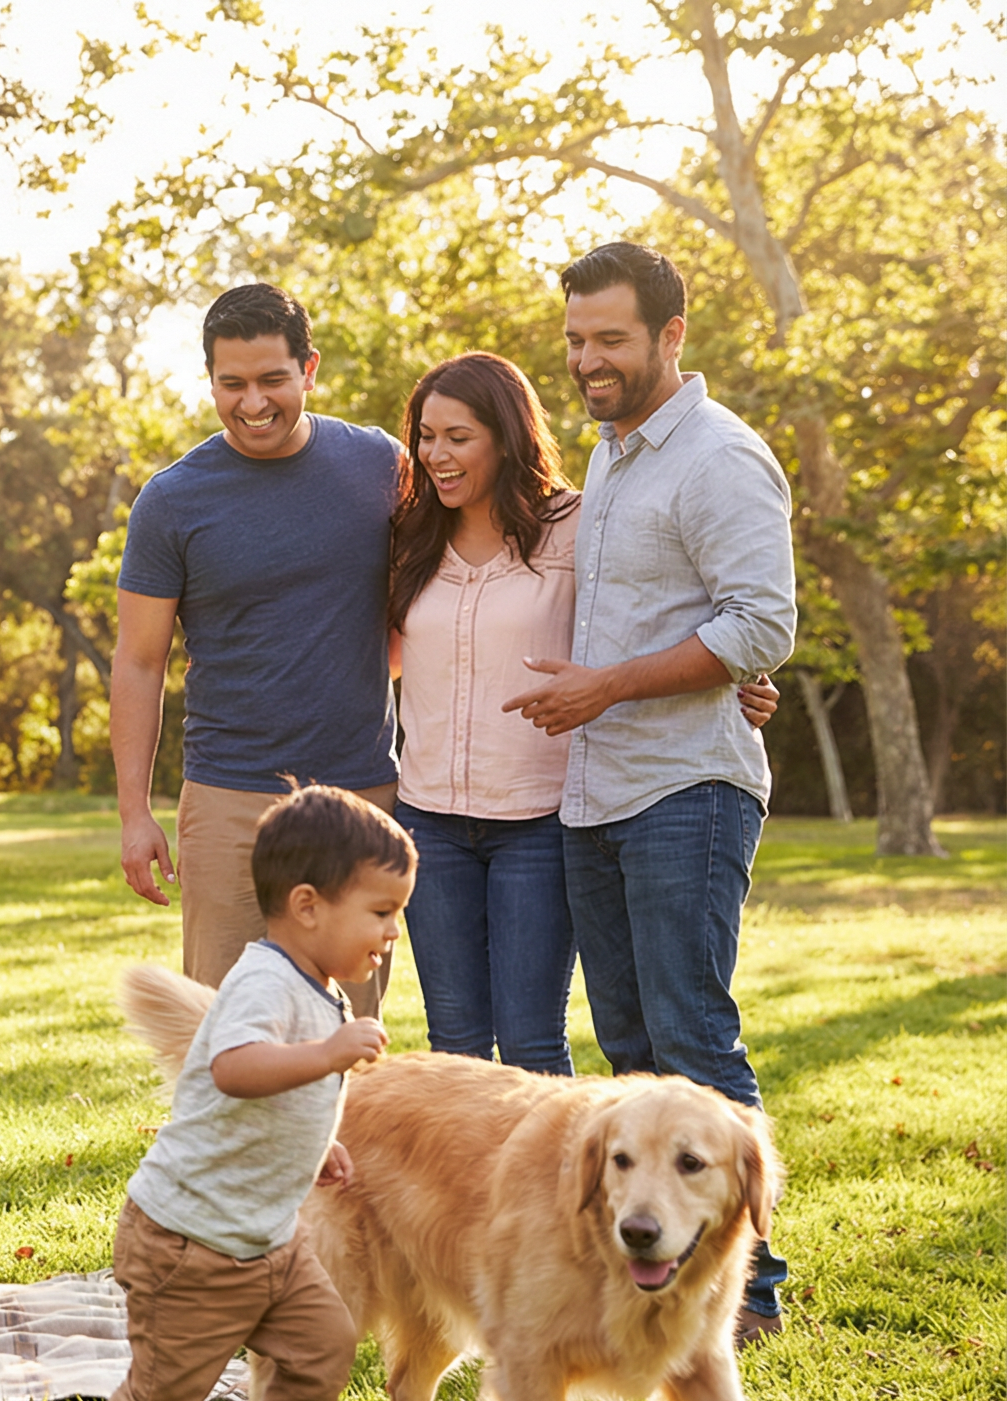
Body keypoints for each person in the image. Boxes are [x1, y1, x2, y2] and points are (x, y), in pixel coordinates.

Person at [507, 242, 798, 1344]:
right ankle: (664, 1271)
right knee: (630, 1048)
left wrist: (609, 687)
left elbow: (760, 624)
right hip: (597, 794)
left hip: (686, 787)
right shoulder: (613, 454)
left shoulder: (720, 457)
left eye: (611, 339)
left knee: (691, 1037)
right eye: (576, 339)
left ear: (671, 336)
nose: (588, 359)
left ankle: (750, 1292)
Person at [390, 353, 781, 1076]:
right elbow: (379, 655)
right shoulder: (410, 538)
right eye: (426, 436)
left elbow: (658, 607)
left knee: (533, 1042)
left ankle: (550, 1162)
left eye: (458, 437)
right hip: (429, 820)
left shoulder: (574, 523)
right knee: (454, 1044)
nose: (436, 454)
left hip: (540, 818)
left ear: (506, 438)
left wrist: (743, 676)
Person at [63, 787, 411, 1401]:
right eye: (381, 912)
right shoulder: (264, 981)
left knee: (323, 1343)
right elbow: (235, 1067)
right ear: (308, 906)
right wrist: (328, 1055)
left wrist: (316, 1147)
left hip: (267, 1238)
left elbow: (277, 1097)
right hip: (190, 1241)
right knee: (165, 1393)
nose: (392, 931)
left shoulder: (320, 987)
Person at [111, 283, 406, 1017]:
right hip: (228, 796)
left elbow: (436, 598)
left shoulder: (381, 467)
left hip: (361, 791)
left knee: (350, 1028)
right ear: (210, 380)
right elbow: (139, 662)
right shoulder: (172, 500)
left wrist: (358, 673)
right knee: (224, 1027)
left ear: (310, 369)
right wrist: (134, 813)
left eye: (272, 380)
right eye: (232, 384)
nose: (252, 403)